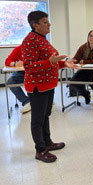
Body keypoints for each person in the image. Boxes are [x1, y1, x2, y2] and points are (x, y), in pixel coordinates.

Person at [22, 10, 78, 163]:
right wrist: (52, 62)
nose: (49, 24)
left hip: (48, 85)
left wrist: (63, 63)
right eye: (45, 22)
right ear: (35, 25)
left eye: (48, 21)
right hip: (37, 86)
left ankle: (47, 142)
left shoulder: (42, 38)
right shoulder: (30, 40)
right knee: (38, 119)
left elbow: (50, 59)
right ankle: (40, 150)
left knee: (45, 116)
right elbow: (29, 66)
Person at [69, 30, 93, 104]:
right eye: (90, 35)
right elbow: (76, 58)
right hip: (86, 70)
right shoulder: (83, 47)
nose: (91, 38)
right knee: (73, 81)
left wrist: (85, 61)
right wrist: (71, 61)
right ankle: (86, 94)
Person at [5, 45, 31, 113]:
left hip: (35, 72)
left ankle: (47, 99)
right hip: (21, 73)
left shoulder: (39, 48)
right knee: (10, 82)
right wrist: (15, 64)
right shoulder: (19, 49)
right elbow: (7, 61)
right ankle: (26, 102)